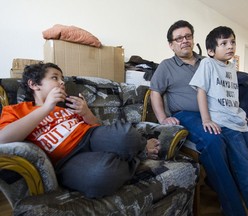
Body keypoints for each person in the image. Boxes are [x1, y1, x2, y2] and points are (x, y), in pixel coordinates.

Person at [150, 20, 248, 215]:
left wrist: (236, 113)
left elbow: (226, 89)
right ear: (171, 44)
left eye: (188, 36)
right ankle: (232, 205)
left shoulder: (208, 61)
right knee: (213, 140)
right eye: (178, 38)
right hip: (188, 115)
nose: (184, 41)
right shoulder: (166, 66)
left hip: (219, 112)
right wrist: (162, 118)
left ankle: (236, 179)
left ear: (193, 39)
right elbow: (154, 92)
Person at [0, 62, 160, 198]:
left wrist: (86, 113)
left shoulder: (66, 108)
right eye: (55, 78)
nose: (62, 82)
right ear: (34, 84)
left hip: (89, 136)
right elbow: (3, 139)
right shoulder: (15, 110)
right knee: (99, 178)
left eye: (62, 79)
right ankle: (136, 157)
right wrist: (46, 107)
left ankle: (138, 146)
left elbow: (98, 128)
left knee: (127, 135)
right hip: (65, 160)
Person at [189, 26, 248, 216]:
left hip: (240, 123)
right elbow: (201, 91)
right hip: (227, 126)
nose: (230, 46)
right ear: (211, 51)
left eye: (232, 42)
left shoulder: (231, 67)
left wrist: (239, 112)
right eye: (224, 43)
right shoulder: (208, 64)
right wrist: (206, 119)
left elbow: (230, 95)